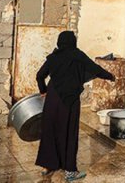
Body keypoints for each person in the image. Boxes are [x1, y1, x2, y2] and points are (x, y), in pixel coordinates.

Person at [35, 30, 115, 181]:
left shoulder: (53, 57)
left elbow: (40, 75)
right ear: (73, 41)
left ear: (59, 42)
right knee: (69, 134)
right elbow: (95, 69)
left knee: (50, 131)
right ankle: (70, 171)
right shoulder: (77, 55)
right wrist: (110, 76)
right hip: (69, 101)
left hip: (52, 98)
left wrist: (43, 91)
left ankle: (48, 166)